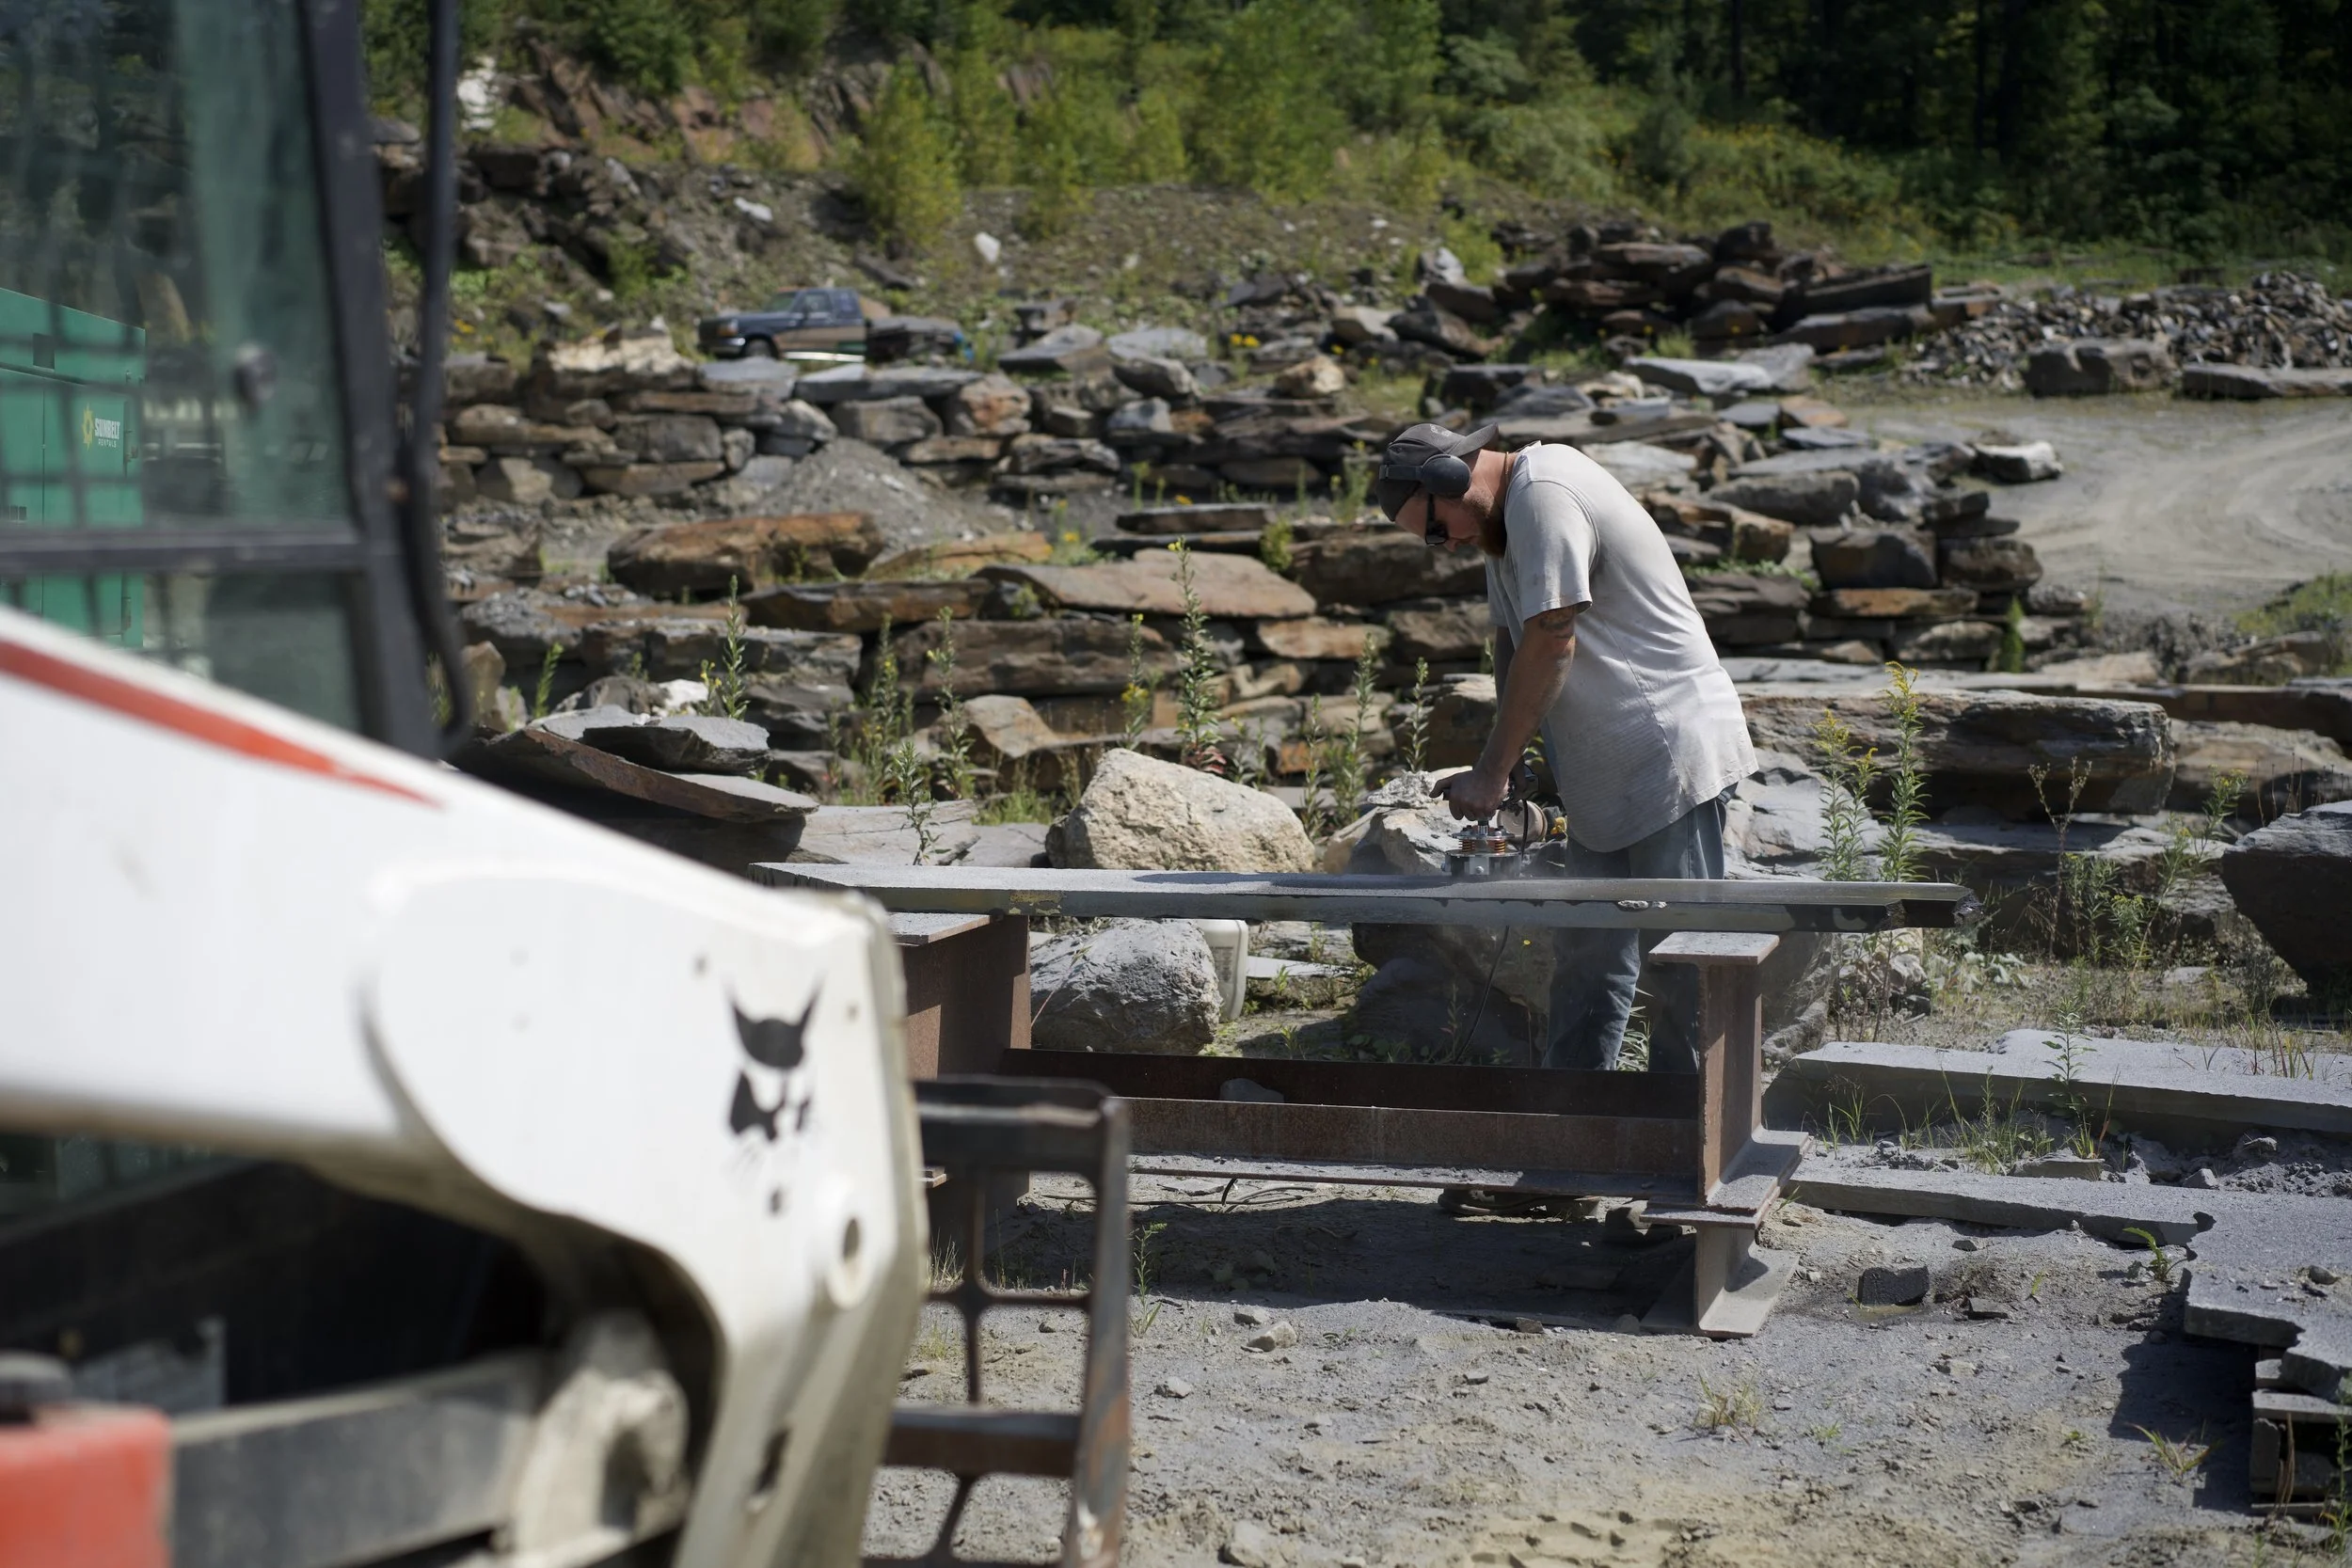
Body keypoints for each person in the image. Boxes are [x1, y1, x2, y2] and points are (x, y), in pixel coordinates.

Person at [1374, 421, 1756, 1072]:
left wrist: (1492, 771)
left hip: (1669, 751)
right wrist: (1512, 753)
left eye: (1437, 529)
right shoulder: (1504, 529)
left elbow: (1553, 637)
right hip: (1608, 768)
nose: (1444, 546)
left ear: (1454, 477)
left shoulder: (1545, 494)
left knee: (1685, 955)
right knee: (1586, 954)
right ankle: (1574, 1125)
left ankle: (1686, 1135)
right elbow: (1510, 640)